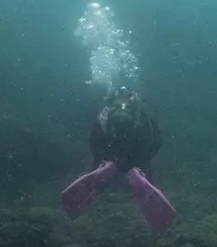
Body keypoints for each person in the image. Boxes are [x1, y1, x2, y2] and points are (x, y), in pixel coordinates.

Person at [61, 88, 175, 233]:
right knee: (141, 168)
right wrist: (144, 160)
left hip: (108, 151)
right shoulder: (142, 116)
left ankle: (102, 171)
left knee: (103, 165)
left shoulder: (105, 115)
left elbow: (93, 140)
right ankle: (140, 174)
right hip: (136, 153)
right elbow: (155, 142)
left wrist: (101, 158)